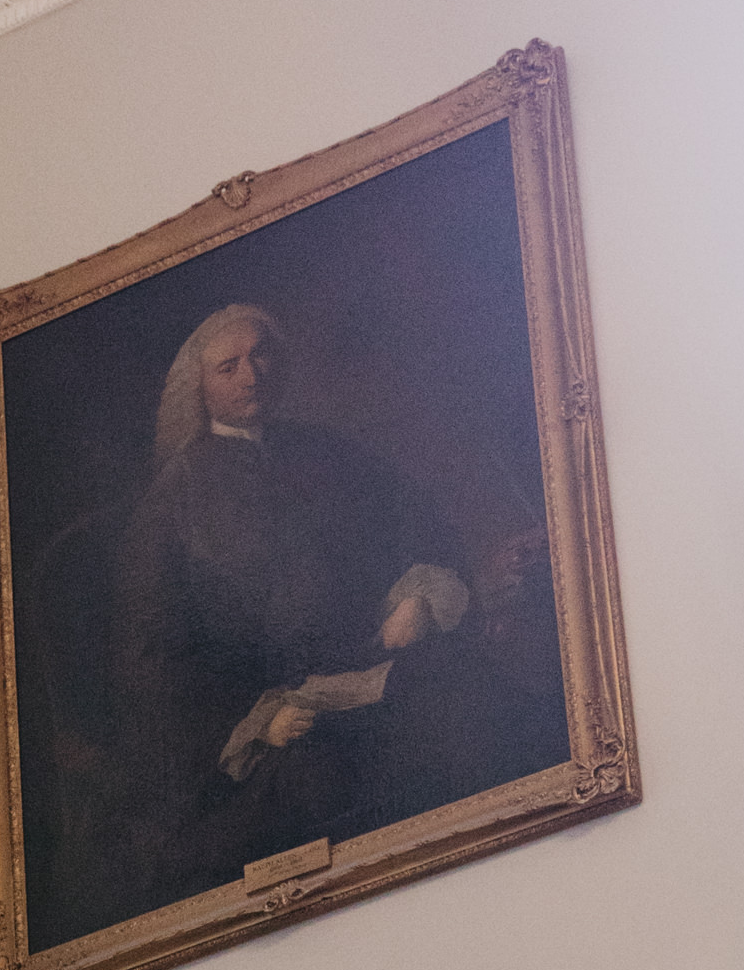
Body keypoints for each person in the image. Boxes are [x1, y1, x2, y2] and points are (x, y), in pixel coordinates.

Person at [110, 301, 482, 910]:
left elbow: (412, 523)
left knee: (461, 718)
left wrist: (416, 597)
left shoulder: (326, 451)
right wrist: (254, 722)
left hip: (371, 670)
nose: (250, 375)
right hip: (266, 724)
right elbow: (151, 655)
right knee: (322, 788)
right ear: (198, 388)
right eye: (227, 367)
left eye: (259, 357)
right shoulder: (174, 499)